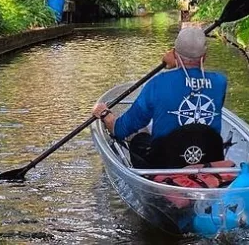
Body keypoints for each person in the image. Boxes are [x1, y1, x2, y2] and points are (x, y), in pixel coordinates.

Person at [92, 26, 228, 168]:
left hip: (165, 163)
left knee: (138, 133)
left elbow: (121, 129)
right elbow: (192, 81)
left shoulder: (158, 83)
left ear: (175, 54)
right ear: (205, 55)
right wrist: (179, 61)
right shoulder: (220, 82)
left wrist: (105, 113)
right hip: (209, 157)